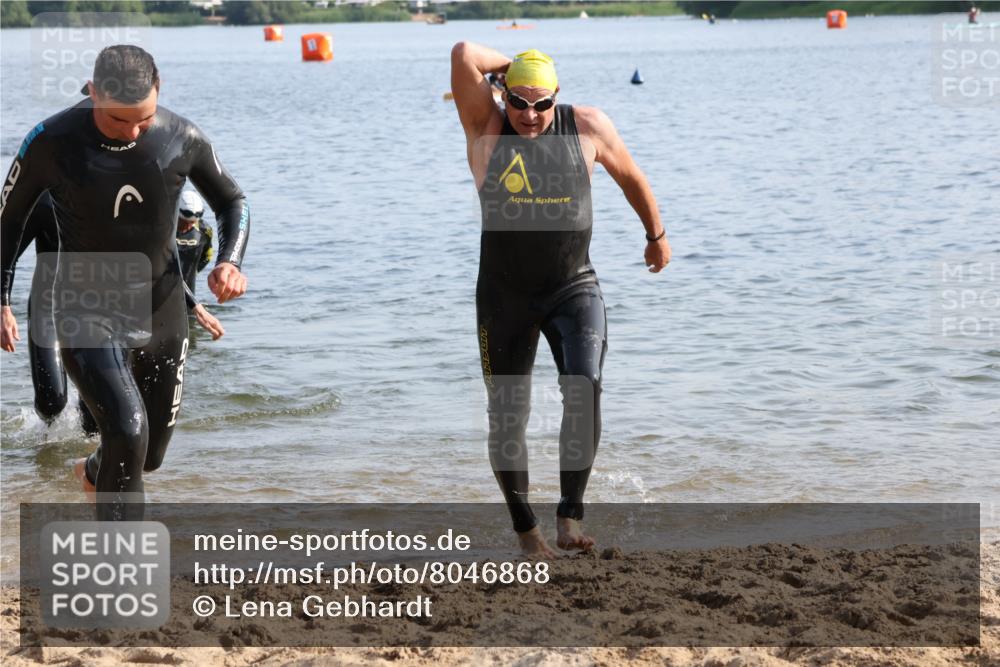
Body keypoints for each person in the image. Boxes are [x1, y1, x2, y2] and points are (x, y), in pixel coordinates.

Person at [1, 45, 250, 520]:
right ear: (93, 93)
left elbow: (234, 201)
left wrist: (231, 262)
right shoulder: (52, 141)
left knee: (148, 454)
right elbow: (8, 219)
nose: (134, 132)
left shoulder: (182, 136)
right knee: (127, 431)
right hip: (84, 302)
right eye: (119, 121)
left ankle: (94, 472)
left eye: (144, 119)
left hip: (162, 306)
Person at [450, 44, 671, 558]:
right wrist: (511, 70)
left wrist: (655, 234)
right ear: (502, 95)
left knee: (585, 386)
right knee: (507, 415)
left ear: (558, 97)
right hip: (504, 296)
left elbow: (632, 177)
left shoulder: (588, 126)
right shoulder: (486, 124)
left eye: (541, 103)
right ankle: (527, 532)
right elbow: (463, 53)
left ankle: (570, 516)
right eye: (519, 102)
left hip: (573, 286)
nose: (529, 116)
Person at [6, 193, 98, 435]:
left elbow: (152, 250)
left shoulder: (109, 193)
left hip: (95, 310)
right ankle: (45, 456)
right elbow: (6, 253)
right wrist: (4, 307)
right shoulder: (43, 201)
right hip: (46, 307)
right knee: (51, 402)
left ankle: (91, 467)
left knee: (94, 419)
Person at [175, 189, 225, 340]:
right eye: (184, 221)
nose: (188, 226)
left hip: (189, 298)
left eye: (192, 223)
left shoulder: (204, 230)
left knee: (191, 340)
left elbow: (207, 256)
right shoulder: (163, 230)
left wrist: (192, 271)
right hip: (159, 294)